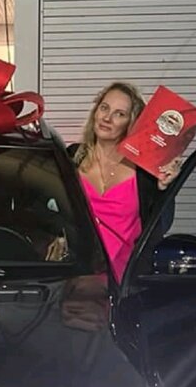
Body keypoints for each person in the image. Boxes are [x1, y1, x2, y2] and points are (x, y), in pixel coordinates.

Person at [68, 81, 182, 281]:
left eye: (119, 114)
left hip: (127, 282)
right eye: (104, 108)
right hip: (77, 281)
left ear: (132, 122)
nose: (107, 118)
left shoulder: (144, 171)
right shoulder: (72, 157)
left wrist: (164, 189)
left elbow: (161, 226)